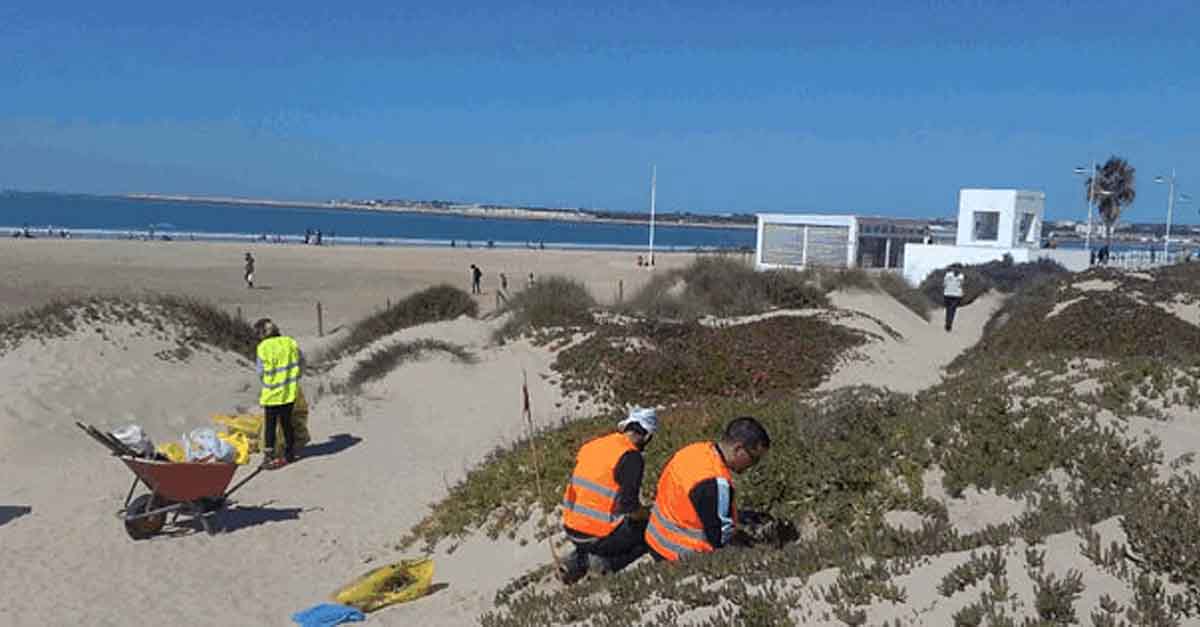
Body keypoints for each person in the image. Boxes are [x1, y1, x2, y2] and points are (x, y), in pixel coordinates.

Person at [645, 417, 771, 562]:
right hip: (679, 555)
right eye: (754, 458)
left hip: (655, 540)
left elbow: (695, 504)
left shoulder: (693, 451)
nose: (753, 465)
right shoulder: (716, 482)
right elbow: (721, 539)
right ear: (738, 449)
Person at [558, 407, 658, 585]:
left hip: (571, 528)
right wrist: (649, 514)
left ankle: (574, 564)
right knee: (652, 530)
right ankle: (606, 564)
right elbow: (630, 508)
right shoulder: (631, 457)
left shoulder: (593, 445)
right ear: (648, 436)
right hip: (599, 536)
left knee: (592, 536)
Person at [253, 318, 301, 469]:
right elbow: (300, 363)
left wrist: (268, 382)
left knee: (270, 425)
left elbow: (260, 372)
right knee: (287, 423)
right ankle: (290, 452)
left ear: (262, 333)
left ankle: (269, 455)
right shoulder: (290, 342)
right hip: (289, 391)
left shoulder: (263, 347)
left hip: (272, 393)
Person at [942, 264, 964, 332]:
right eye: (956, 268)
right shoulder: (948, 275)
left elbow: (961, 285)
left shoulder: (961, 276)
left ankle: (949, 324)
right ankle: (947, 324)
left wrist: (961, 294)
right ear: (953, 269)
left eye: (959, 268)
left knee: (952, 310)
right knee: (948, 310)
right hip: (948, 294)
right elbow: (944, 284)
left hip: (956, 296)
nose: (957, 270)